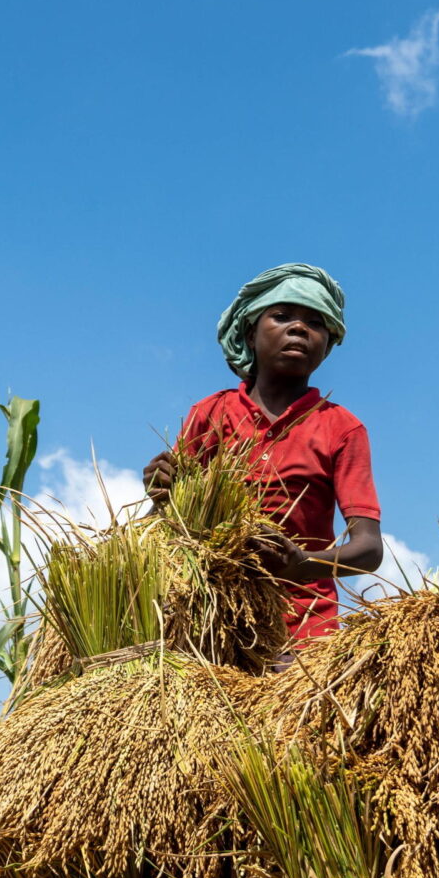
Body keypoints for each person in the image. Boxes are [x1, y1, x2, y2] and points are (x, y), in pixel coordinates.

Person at [144, 263, 383, 645]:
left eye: (317, 323)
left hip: (303, 630)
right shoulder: (212, 414)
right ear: (251, 333)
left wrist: (302, 565)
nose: (300, 328)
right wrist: (162, 493)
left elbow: (369, 549)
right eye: (283, 316)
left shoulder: (342, 428)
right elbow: (162, 528)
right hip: (209, 621)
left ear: (328, 345)